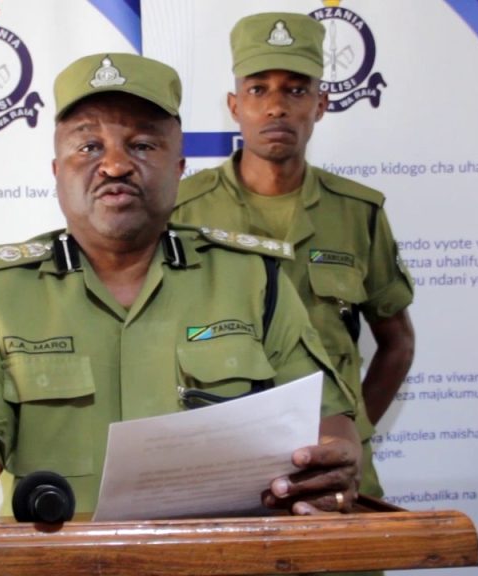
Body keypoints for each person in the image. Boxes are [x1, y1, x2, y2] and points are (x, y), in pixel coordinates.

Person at [0, 52, 362, 576]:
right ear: (56, 172)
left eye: (143, 145)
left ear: (179, 168)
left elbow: (324, 420)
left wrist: (330, 459)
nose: (116, 165)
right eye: (88, 146)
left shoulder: (255, 280)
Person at [172, 12, 415, 499]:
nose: (276, 107)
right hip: (219, 462)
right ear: (234, 105)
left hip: (332, 468)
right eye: (258, 89)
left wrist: (351, 434)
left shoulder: (357, 212)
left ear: (321, 104)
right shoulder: (182, 210)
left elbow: (398, 343)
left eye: (296, 90)